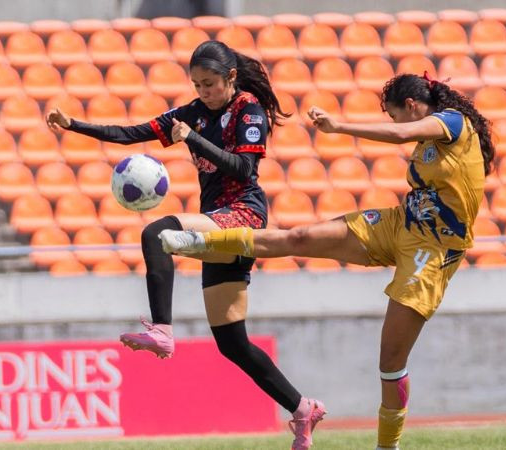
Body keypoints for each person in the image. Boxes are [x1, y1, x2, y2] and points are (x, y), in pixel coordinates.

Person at [160, 72, 495, 450]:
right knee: (300, 237)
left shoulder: (454, 122)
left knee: (390, 360)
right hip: (400, 225)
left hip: (432, 251)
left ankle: (388, 446)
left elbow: (402, 133)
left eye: (394, 114)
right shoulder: (430, 142)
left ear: (413, 107)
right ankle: (197, 241)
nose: (395, 123)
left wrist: (338, 126)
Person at [46, 40, 325, 450]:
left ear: (230, 78)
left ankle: (162, 329)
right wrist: (74, 125)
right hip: (216, 220)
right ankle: (303, 410)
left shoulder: (247, 109)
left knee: (156, 233)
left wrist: (192, 138)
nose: (203, 92)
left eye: (209, 83)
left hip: (242, 214)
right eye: (197, 85)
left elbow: (244, 168)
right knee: (232, 342)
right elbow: (131, 134)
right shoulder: (192, 113)